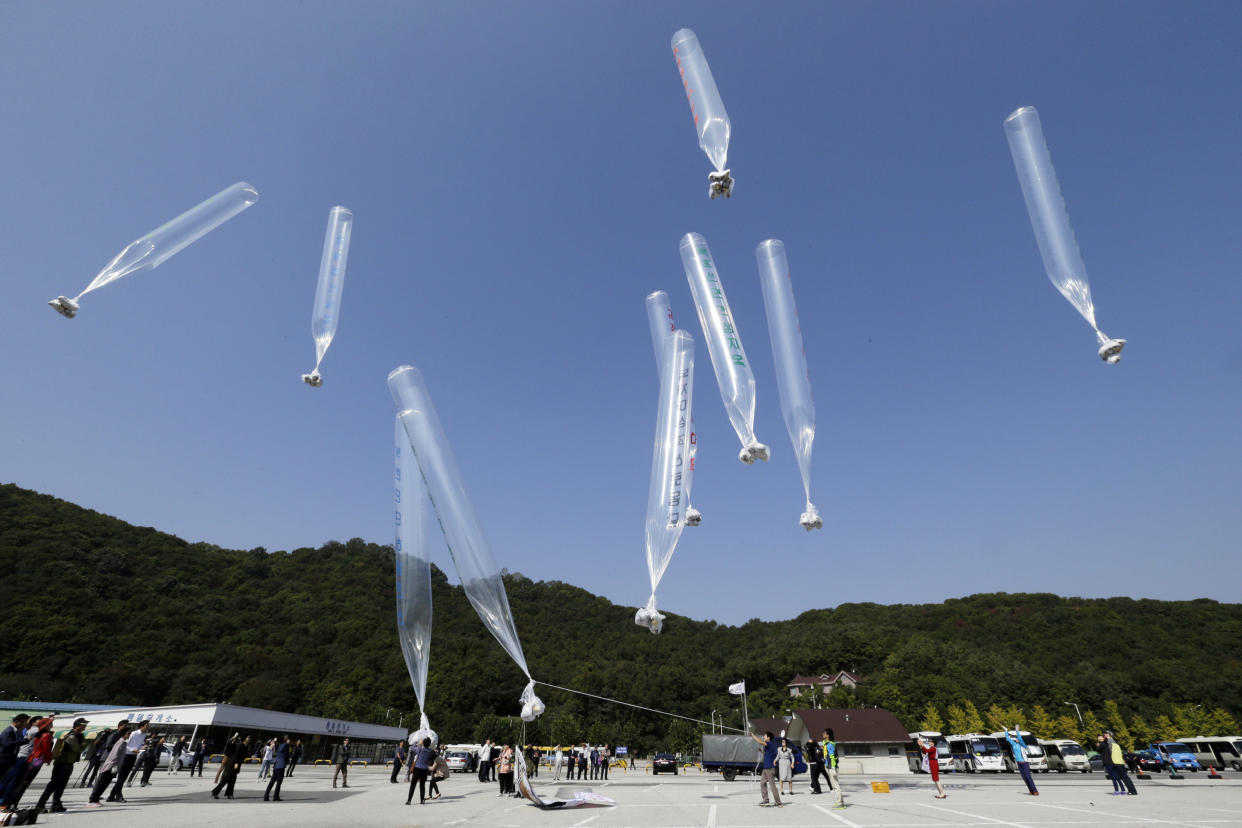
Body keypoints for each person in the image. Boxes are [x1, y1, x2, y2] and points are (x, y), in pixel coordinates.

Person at [36, 717, 89, 814]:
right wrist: (85, 743)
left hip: (68, 763)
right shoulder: (72, 736)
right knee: (53, 785)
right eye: (83, 725)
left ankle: (56, 804)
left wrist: (83, 742)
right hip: (62, 764)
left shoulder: (78, 735)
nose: (85, 726)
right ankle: (40, 805)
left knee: (61, 786)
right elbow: (77, 749)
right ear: (77, 726)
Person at [87, 722, 131, 807]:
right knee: (101, 782)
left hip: (113, 766)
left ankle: (95, 799)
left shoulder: (123, 742)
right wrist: (113, 766)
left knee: (105, 783)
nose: (129, 735)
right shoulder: (120, 742)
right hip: (110, 766)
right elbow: (114, 755)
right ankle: (92, 800)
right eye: (128, 733)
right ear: (124, 734)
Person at [108, 719, 148, 802]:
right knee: (121, 777)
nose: (147, 727)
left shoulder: (144, 735)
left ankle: (111, 796)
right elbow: (125, 744)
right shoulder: (133, 733)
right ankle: (118, 796)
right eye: (146, 726)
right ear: (141, 726)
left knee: (124, 777)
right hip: (126, 755)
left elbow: (139, 745)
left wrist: (141, 748)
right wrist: (133, 749)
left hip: (133, 756)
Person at [749, 730, 782, 808]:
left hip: (770, 769)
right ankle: (766, 800)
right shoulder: (770, 746)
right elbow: (769, 755)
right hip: (766, 768)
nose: (764, 737)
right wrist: (762, 752)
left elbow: (760, 742)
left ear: (768, 738)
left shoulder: (769, 744)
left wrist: (753, 735)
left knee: (772, 786)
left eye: (765, 736)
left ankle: (778, 802)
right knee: (762, 783)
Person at [1004, 727, 1038, 796]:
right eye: (1016, 739)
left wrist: (1017, 731)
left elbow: (1020, 738)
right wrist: (1006, 731)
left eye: (1017, 739)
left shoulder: (1023, 745)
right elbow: (1008, 739)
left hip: (1025, 763)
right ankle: (1031, 791)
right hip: (1019, 763)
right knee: (1024, 778)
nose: (1016, 739)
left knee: (1028, 777)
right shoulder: (1014, 744)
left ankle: (1035, 791)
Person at [211, 733, 243, 799]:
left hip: (234, 764)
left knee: (232, 780)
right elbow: (229, 743)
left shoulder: (238, 746)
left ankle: (229, 794)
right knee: (226, 779)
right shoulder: (232, 746)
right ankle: (215, 791)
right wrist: (234, 737)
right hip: (231, 763)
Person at [406, 737, 436, 805]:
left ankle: (409, 800)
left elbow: (411, 748)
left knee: (413, 785)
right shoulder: (430, 751)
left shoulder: (420, 749)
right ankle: (422, 800)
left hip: (417, 768)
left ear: (423, 743)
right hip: (424, 769)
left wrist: (418, 743)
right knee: (422, 785)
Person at [823, 728, 844, 809]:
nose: (823, 734)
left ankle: (840, 803)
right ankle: (840, 802)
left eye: (824, 733)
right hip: (829, 766)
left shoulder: (830, 744)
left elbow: (832, 756)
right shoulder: (827, 743)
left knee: (836, 785)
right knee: (834, 785)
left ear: (828, 735)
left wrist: (833, 767)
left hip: (832, 767)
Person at [264, 735, 289, 802]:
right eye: (286, 738)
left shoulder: (280, 745)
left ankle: (266, 796)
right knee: (279, 782)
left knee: (272, 782)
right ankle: (276, 797)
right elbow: (287, 755)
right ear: (284, 739)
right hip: (281, 765)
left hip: (276, 765)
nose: (288, 739)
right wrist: (287, 761)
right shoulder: (286, 745)